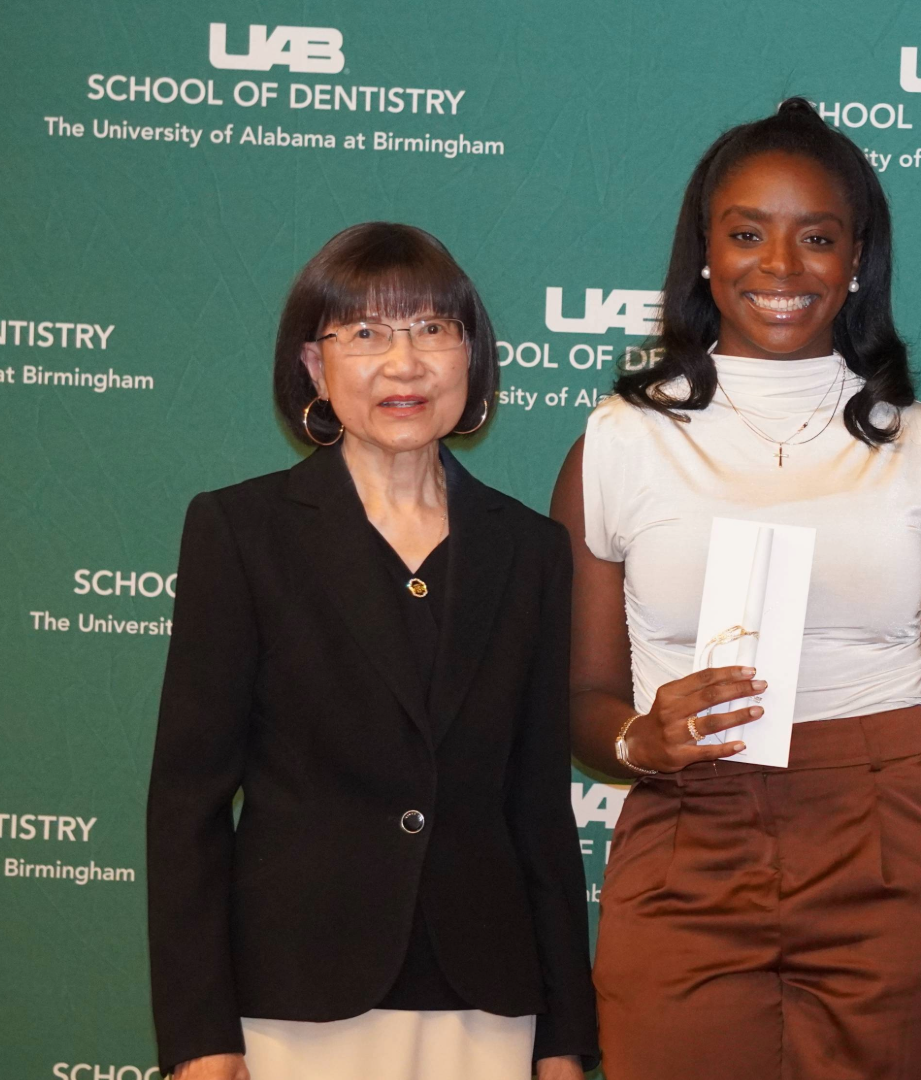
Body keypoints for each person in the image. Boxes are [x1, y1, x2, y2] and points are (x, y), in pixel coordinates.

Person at [548, 98, 921, 1080]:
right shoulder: (618, 442)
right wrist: (643, 738)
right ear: (705, 253)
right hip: (689, 835)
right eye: (747, 233)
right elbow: (578, 698)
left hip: (891, 840)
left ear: (857, 261)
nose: (780, 266)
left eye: (817, 238)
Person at [145, 222, 595, 1080]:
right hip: (293, 999)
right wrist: (200, 1035)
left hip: (488, 1003)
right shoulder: (241, 533)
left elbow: (540, 810)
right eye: (364, 334)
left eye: (433, 328)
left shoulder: (529, 550)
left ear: (472, 358)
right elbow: (186, 807)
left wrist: (566, 1036)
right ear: (315, 367)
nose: (405, 363)